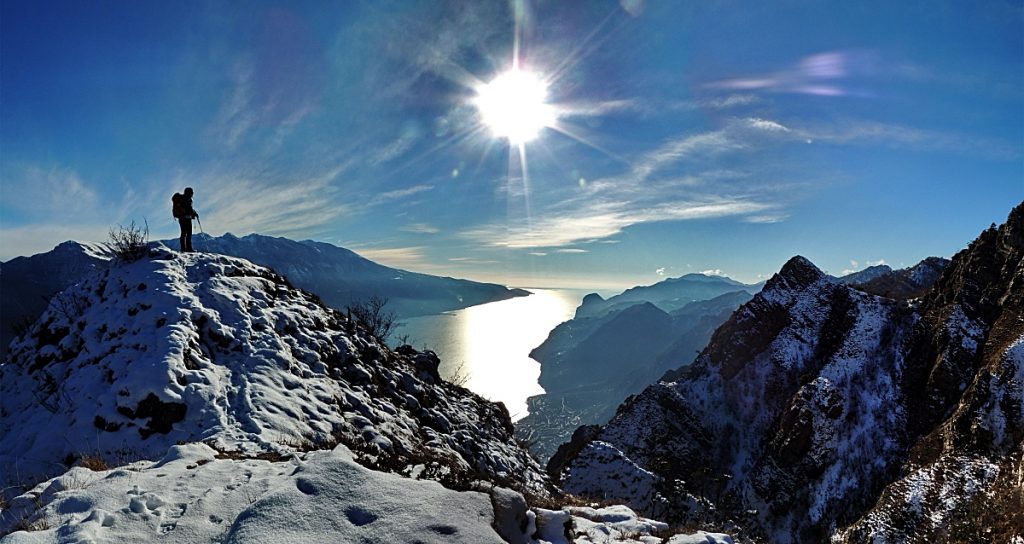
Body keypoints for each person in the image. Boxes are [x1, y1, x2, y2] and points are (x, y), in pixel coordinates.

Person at [172, 187, 199, 252]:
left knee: (185, 233)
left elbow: (189, 209)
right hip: (184, 218)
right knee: (186, 233)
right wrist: (194, 213)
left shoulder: (188, 200)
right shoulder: (185, 199)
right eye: (191, 193)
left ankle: (185, 249)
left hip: (184, 218)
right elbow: (189, 209)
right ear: (189, 193)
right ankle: (187, 249)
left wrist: (194, 213)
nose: (192, 195)